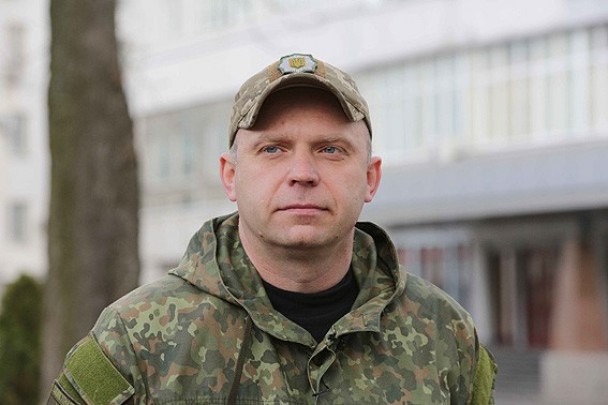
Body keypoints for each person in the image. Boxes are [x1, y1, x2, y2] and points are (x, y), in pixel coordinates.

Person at [48, 53, 496, 404]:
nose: (302, 173)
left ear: (370, 178)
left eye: (331, 149)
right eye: (273, 149)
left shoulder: (446, 334)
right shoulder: (135, 338)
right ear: (230, 177)